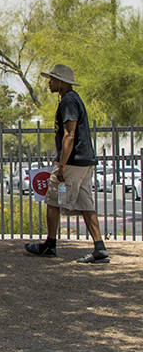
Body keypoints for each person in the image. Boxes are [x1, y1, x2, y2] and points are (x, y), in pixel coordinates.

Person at [25, 64, 108, 264]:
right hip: (85, 161)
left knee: (52, 200)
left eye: (52, 79)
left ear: (61, 82)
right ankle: (100, 248)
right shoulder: (72, 99)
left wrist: (61, 165)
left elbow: (69, 134)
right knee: (86, 204)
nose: (49, 83)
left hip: (72, 161)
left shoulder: (68, 102)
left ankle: (50, 244)